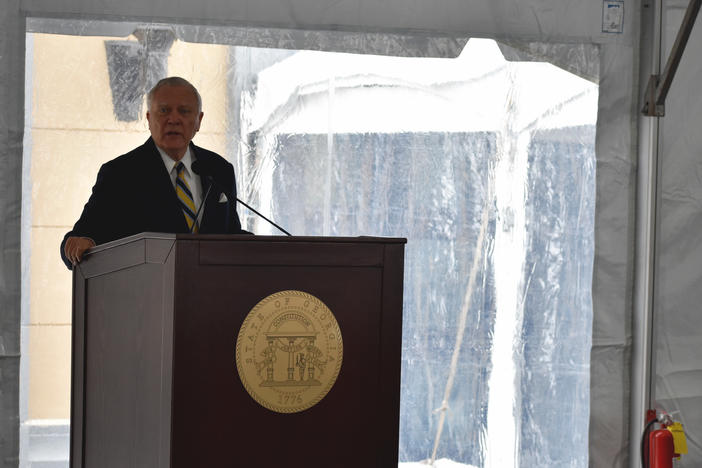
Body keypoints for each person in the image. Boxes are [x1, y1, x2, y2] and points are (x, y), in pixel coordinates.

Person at [61, 76, 248, 269]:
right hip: (146, 292)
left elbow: (231, 236)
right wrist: (79, 243)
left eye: (184, 111)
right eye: (164, 111)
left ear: (199, 120)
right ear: (149, 118)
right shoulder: (120, 174)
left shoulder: (219, 170)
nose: (174, 119)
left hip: (212, 292)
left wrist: (272, 250)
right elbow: (82, 237)